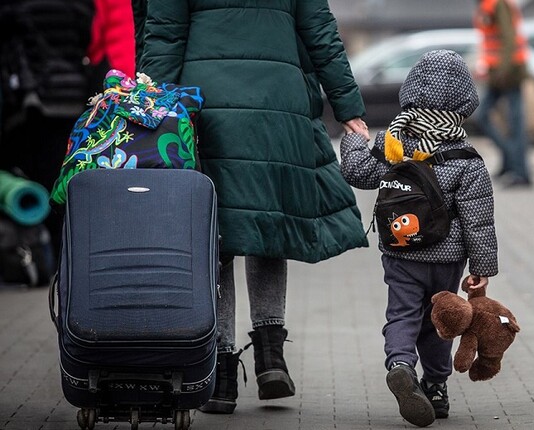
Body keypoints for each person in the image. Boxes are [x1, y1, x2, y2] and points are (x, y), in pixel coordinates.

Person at [137, 0, 370, 414]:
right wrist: (347, 106)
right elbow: (321, 32)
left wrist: (151, 112)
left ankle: (222, 371)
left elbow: (164, 37)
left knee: (215, 235)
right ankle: (270, 355)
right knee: (267, 226)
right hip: (277, 106)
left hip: (206, 106)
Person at [340, 50, 498, 427]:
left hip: (401, 252)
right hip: (446, 260)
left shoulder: (393, 145)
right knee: (440, 320)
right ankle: (436, 388)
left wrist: (354, 140)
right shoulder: (467, 158)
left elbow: (358, 172)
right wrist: (482, 269)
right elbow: (479, 220)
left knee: (402, 314)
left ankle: (399, 365)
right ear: (464, 101)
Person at [0, 0, 97, 257]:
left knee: (34, 179)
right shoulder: (77, 5)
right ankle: (67, 252)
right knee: (64, 175)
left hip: (34, 101)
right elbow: (89, 36)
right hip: (71, 96)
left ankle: (41, 251)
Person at [474, 0, 532, 187]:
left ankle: (520, 172)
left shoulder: (497, 4)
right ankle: (511, 164)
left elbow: (509, 38)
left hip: (508, 72)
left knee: (514, 124)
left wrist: (501, 71)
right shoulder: (487, 5)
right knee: (495, 119)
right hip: (499, 71)